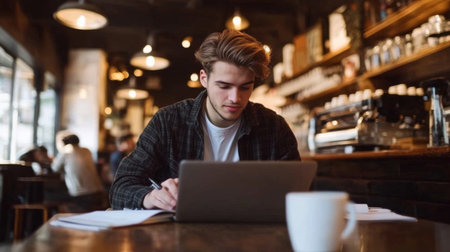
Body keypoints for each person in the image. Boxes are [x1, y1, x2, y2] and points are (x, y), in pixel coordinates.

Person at [110, 29, 300, 211]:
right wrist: (149, 197)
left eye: (245, 87)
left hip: (252, 236)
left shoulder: (274, 128)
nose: (235, 98)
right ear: (204, 79)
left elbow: (298, 193)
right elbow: (120, 187)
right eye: (224, 86)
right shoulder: (168, 122)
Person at [52, 132, 107, 212]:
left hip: (80, 195)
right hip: (97, 192)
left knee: (50, 196)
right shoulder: (87, 150)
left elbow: (54, 168)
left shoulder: (66, 150)